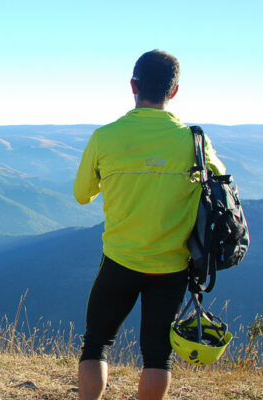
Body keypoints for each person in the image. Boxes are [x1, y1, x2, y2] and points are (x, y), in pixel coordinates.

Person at [73, 49, 225, 400]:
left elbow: (83, 195)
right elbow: (222, 189)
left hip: (119, 260)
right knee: (158, 355)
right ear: (173, 92)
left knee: (96, 344)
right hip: (172, 266)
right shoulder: (193, 141)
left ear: (133, 86)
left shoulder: (105, 137)